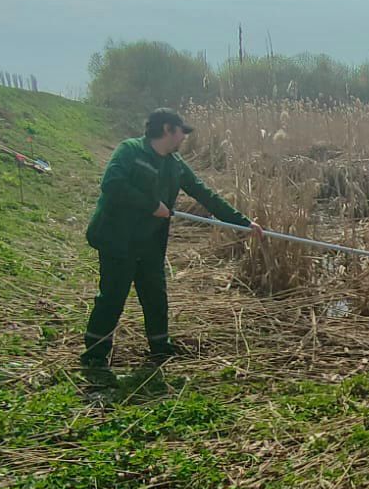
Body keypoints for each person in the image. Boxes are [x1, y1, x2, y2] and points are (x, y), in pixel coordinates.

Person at [81, 108, 263, 376]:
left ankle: (160, 348)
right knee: (112, 296)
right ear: (167, 129)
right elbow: (112, 183)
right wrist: (152, 205)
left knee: (156, 296)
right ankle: (95, 355)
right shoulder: (130, 151)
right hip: (117, 238)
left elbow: (205, 194)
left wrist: (243, 223)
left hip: (150, 243)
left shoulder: (175, 164)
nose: (183, 138)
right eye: (181, 132)